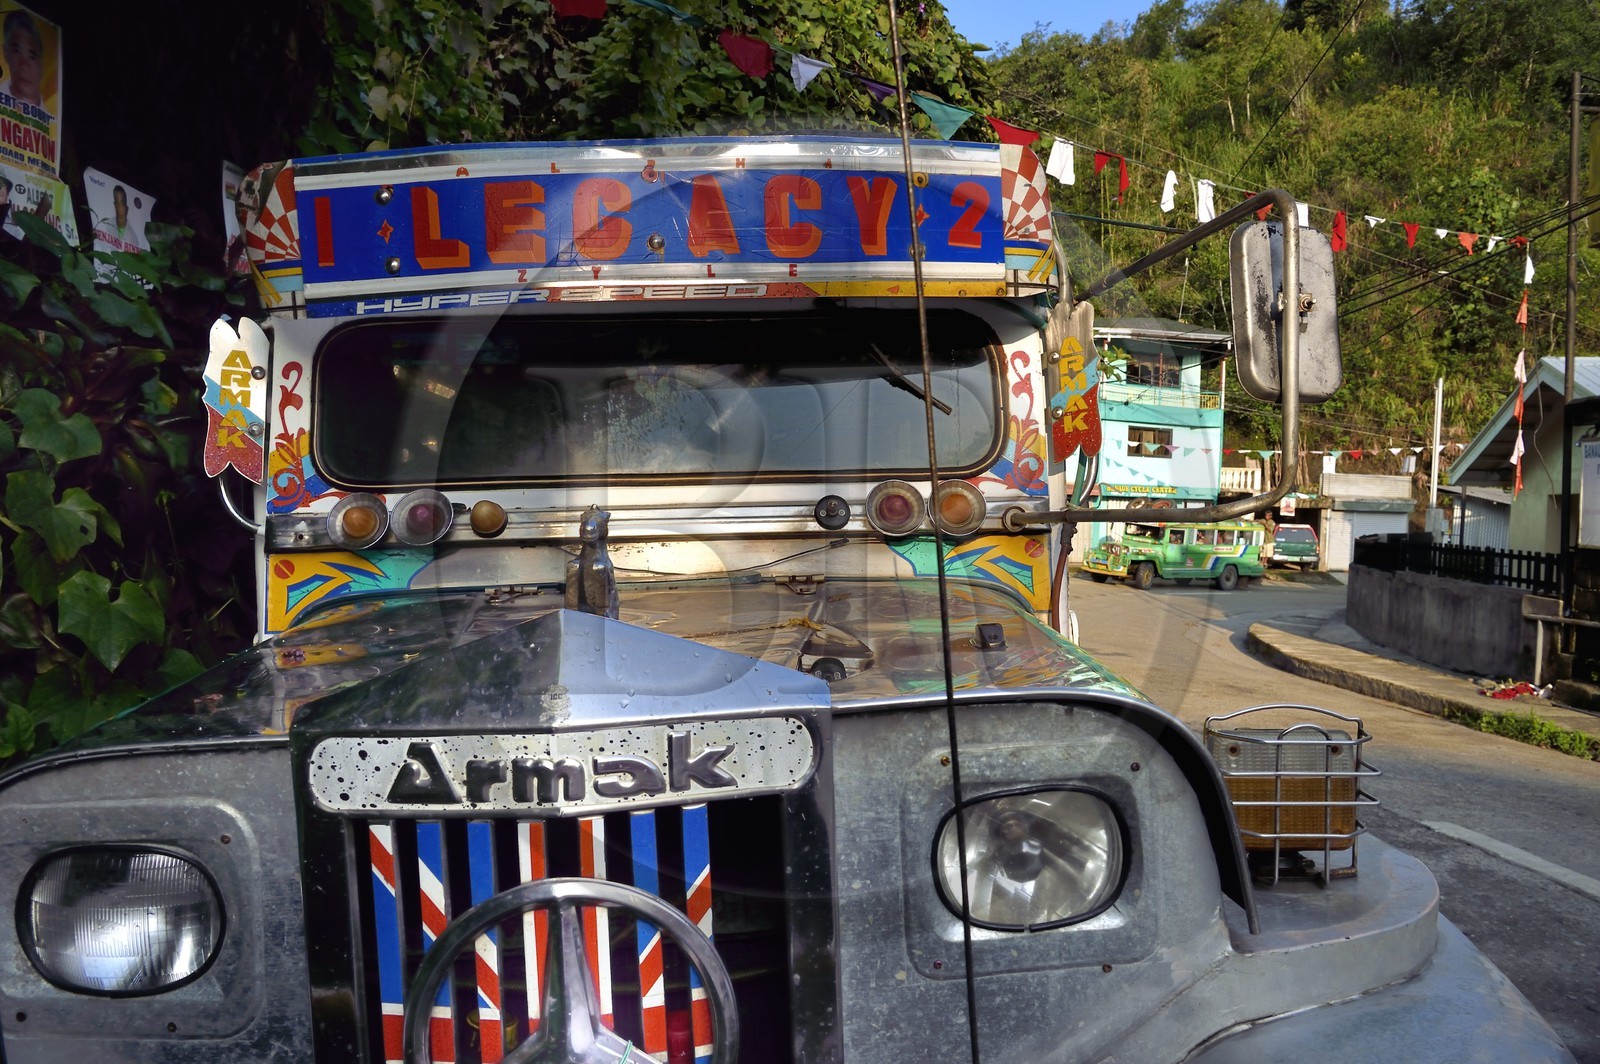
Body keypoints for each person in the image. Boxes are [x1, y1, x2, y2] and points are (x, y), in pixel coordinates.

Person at [0, 10, 45, 108]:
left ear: (41, 66)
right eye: (17, 51)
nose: (24, 65)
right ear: (6, 53)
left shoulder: (53, 121)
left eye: (32, 56)